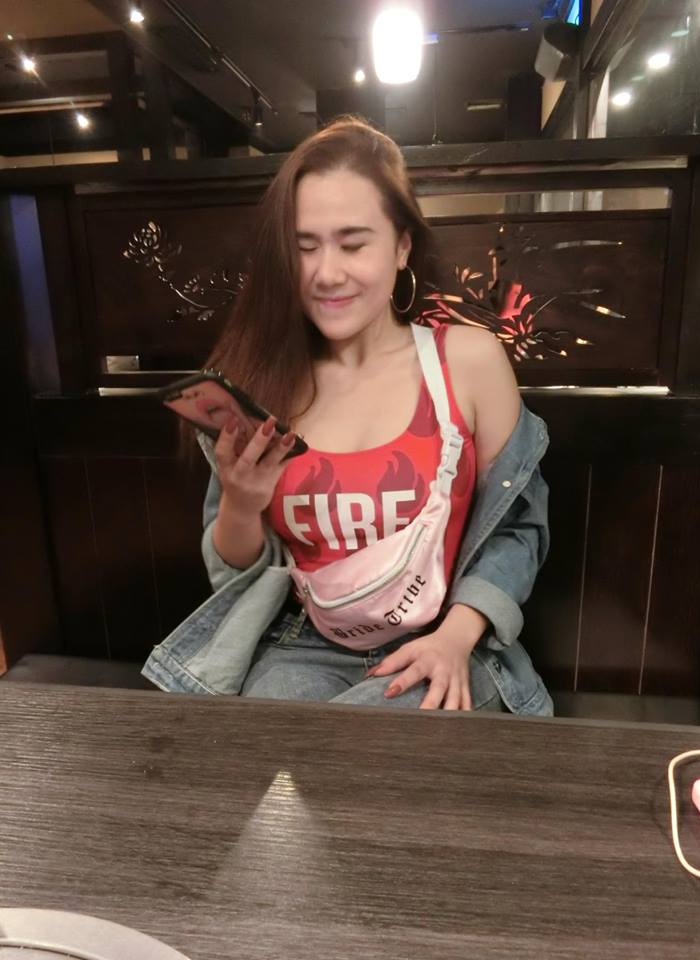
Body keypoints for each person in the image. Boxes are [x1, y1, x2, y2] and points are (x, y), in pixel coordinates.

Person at [142, 115, 552, 715]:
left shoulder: (467, 361)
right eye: (304, 247)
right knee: (265, 743)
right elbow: (233, 577)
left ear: (402, 246)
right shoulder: (263, 379)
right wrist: (241, 503)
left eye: (353, 244)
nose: (326, 273)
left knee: (345, 748)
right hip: (301, 646)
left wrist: (456, 637)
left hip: (445, 638)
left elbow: (520, 527)